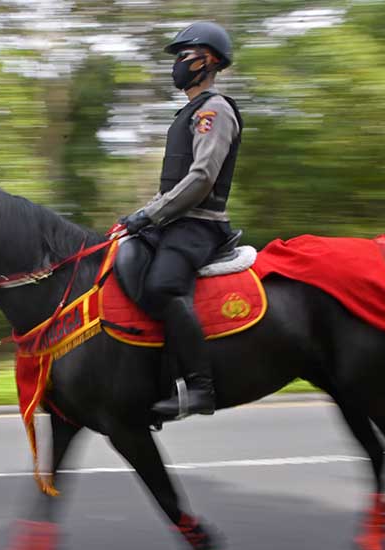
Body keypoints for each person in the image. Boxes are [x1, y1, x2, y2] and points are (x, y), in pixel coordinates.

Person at [119, 21, 243, 420]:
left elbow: (202, 178)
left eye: (184, 56)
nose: (177, 64)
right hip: (174, 221)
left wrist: (149, 214)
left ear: (208, 61)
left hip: (199, 224)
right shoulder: (189, 112)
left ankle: (200, 388)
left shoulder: (214, 111)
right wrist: (140, 217)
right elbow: (174, 184)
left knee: (164, 286)